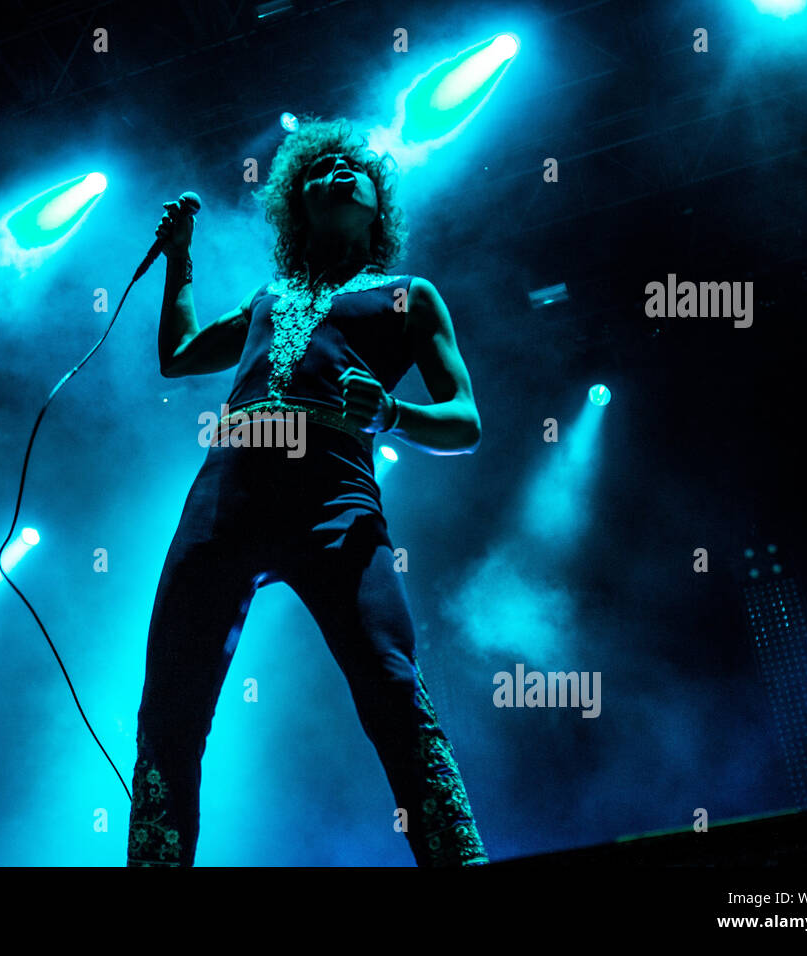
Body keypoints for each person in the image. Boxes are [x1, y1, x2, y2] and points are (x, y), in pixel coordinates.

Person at [127, 116, 487, 866]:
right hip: (227, 487)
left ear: (378, 203)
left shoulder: (409, 295)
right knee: (170, 701)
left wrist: (393, 412)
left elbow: (465, 421)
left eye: (353, 167)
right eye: (320, 168)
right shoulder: (269, 293)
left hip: (335, 490)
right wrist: (180, 260)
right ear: (298, 201)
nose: (339, 173)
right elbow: (179, 355)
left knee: (389, 682)